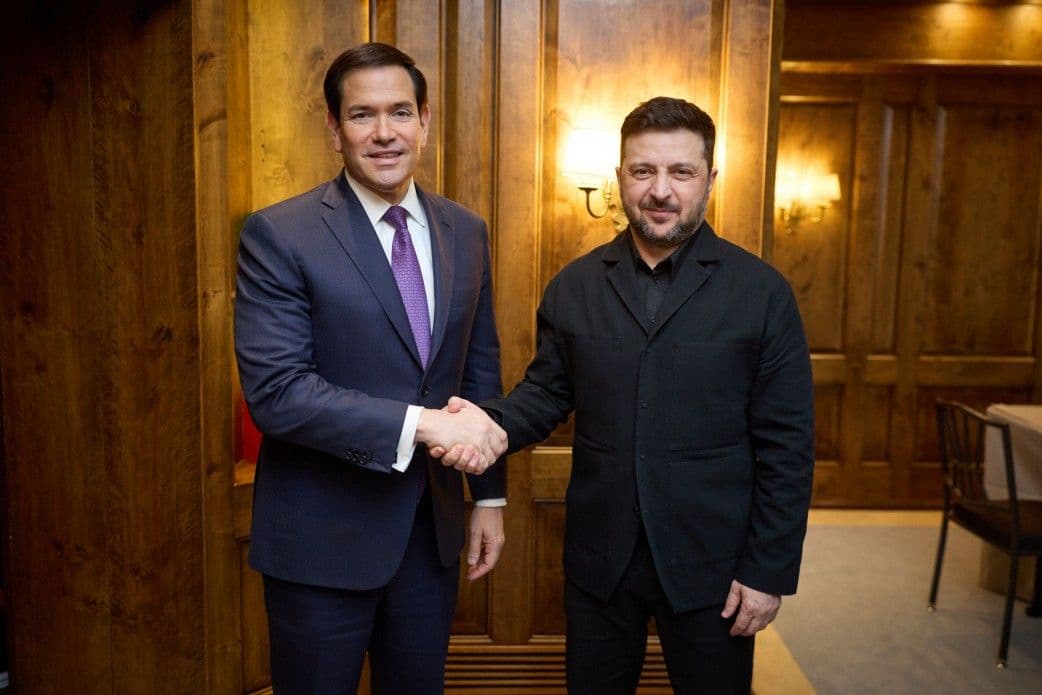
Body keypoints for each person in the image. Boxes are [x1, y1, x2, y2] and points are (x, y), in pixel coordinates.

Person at [437, 96, 814, 694]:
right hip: (600, 562)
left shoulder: (762, 293)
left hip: (713, 567)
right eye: (643, 171)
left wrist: (768, 571)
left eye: (681, 172)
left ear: (710, 179)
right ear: (619, 178)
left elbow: (788, 449)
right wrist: (489, 424)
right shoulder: (575, 285)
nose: (660, 190)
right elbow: (545, 394)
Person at [234, 42, 508, 695]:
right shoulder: (280, 233)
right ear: (335, 130)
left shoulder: (466, 230)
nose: (385, 132)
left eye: (400, 112)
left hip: (430, 538)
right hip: (320, 543)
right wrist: (424, 426)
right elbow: (278, 393)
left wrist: (490, 497)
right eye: (362, 115)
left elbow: (479, 371)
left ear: (424, 122)